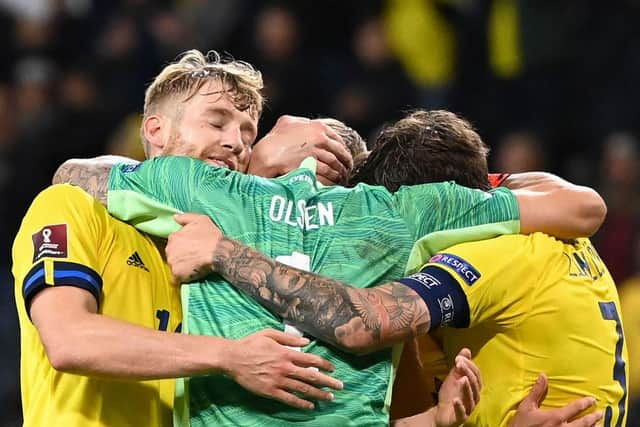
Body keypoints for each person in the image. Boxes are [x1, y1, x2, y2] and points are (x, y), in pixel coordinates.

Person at [89, 94, 607, 427]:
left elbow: (77, 172)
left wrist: (251, 178)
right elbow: (585, 206)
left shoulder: (203, 188)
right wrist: (480, 188)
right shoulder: (408, 212)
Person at [12, 49, 361, 427]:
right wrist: (230, 357)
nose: (236, 143)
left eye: (249, 134)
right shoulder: (75, 206)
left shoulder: (228, 251)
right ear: (156, 131)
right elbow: (69, 339)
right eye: (217, 123)